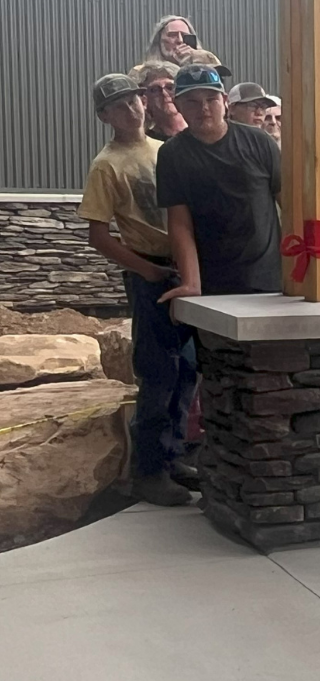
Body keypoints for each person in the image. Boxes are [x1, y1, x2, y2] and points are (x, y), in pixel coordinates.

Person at [78, 74, 197, 507]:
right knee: (158, 371)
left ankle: (173, 455)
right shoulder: (107, 165)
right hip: (151, 274)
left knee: (187, 371)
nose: (131, 110)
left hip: (183, 269)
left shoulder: (164, 150)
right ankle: (149, 470)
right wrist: (145, 270)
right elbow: (99, 234)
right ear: (104, 116)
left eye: (135, 100)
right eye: (119, 105)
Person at [155, 64, 282, 301]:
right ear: (178, 105)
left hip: (269, 279)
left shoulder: (260, 142)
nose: (203, 108)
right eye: (192, 102)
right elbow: (180, 222)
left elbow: (289, 204)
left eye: (210, 99)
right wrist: (191, 283)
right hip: (213, 283)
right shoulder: (172, 154)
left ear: (224, 101)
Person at [131, 60, 185, 141]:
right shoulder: (146, 142)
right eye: (155, 90)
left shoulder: (201, 131)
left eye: (170, 87)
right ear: (144, 100)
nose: (164, 94)